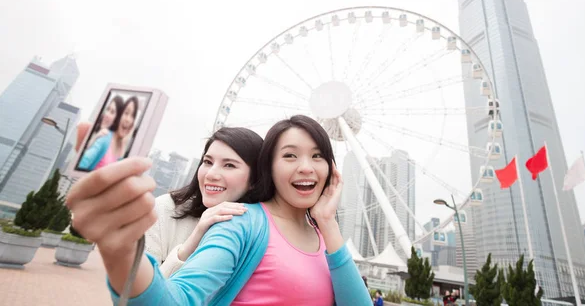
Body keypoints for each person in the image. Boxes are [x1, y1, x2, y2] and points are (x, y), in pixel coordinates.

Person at [66, 115, 372, 305]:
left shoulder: (324, 239)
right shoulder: (240, 223)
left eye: (317, 156)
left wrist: (328, 222)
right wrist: (123, 250)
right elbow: (175, 300)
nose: (306, 167)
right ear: (269, 167)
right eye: (290, 155)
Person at [144, 127, 263, 277]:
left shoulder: (260, 232)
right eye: (207, 162)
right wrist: (190, 244)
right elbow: (138, 294)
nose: (211, 174)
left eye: (229, 165)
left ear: (255, 178)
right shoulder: (165, 209)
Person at [78, 96, 138, 171]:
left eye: (133, 116)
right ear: (119, 116)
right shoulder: (105, 137)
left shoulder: (124, 149)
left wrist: (123, 146)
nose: (128, 119)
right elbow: (82, 163)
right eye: (126, 113)